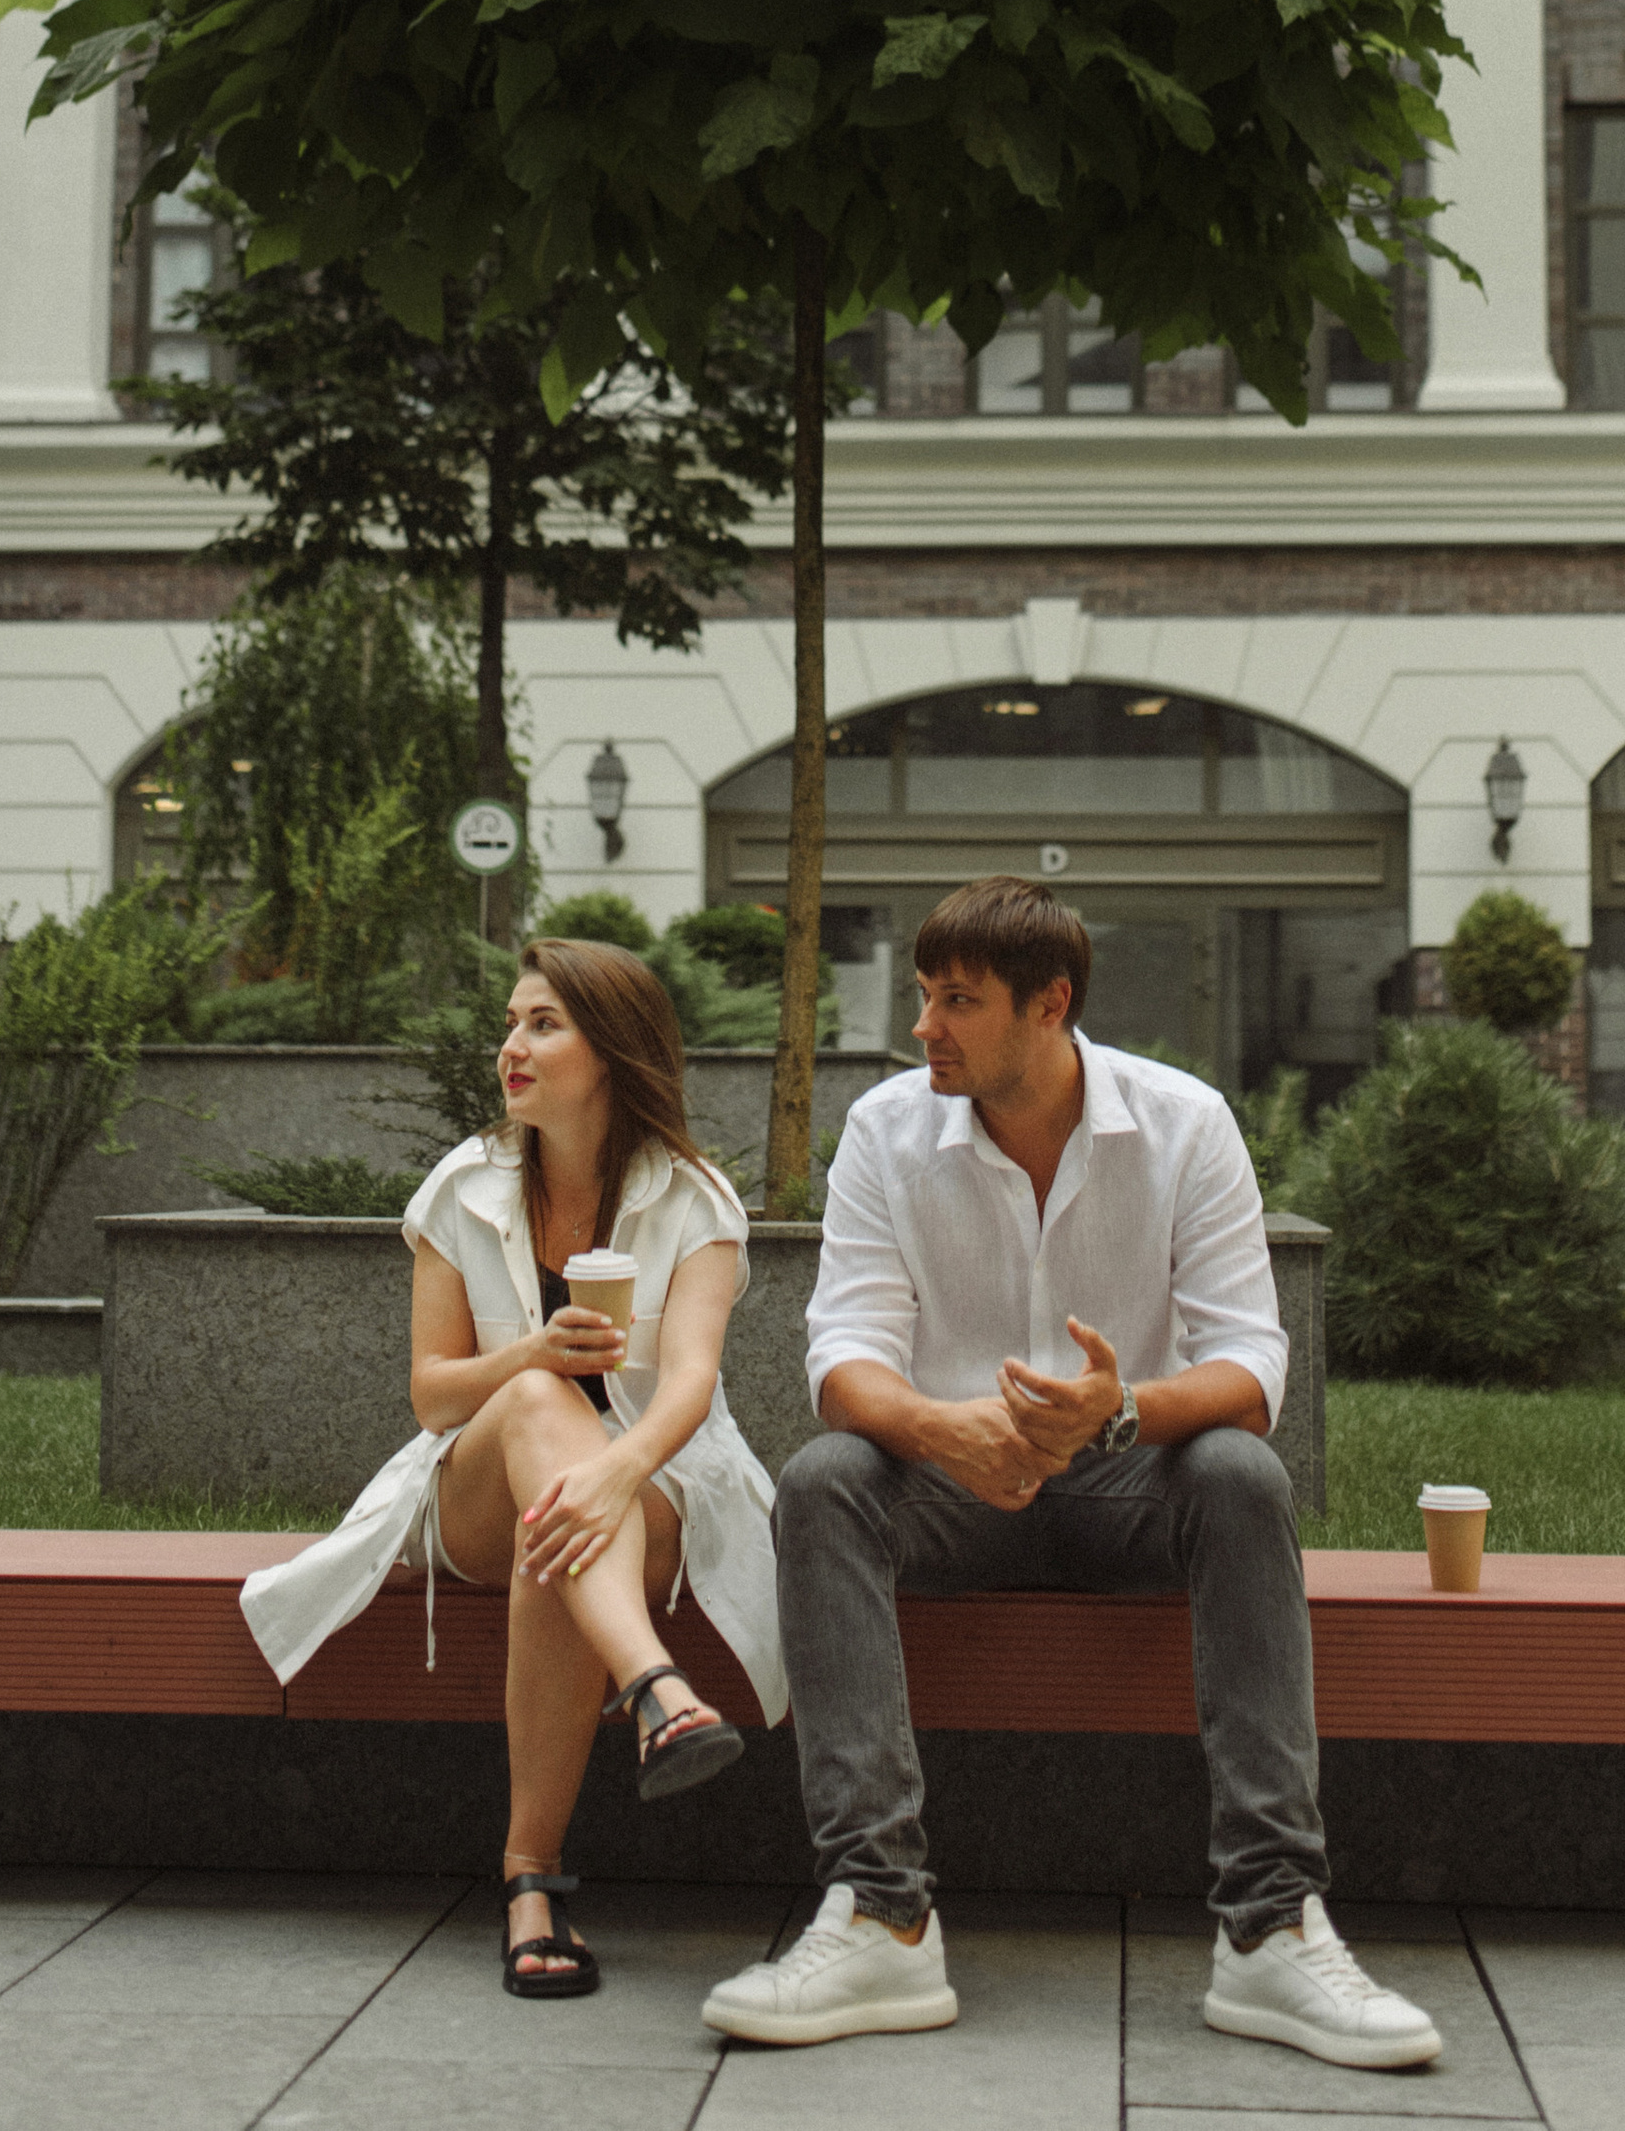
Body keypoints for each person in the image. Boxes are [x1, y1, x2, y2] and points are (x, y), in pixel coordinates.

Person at [701, 875, 1439, 2073]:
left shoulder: (1184, 1122)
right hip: (951, 1490)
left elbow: (1252, 1364)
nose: (924, 1027)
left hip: (1125, 1484)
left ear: (1050, 1008)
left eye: (956, 1001)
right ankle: (883, 1912)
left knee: (1241, 1474)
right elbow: (842, 1356)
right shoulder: (888, 1132)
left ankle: (1269, 1925)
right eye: (925, 998)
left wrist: (1117, 1414)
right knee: (827, 1476)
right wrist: (946, 1433)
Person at [241, 935, 784, 2002]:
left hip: (649, 1494)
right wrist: (531, 1355)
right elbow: (434, 1395)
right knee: (535, 1411)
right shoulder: (464, 1187)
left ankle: (531, 1881)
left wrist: (618, 1471)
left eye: (542, 1024)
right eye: (509, 1024)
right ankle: (655, 1687)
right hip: (478, 1489)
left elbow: (687, 1385)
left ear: (613, 1050)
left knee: (566, 1525)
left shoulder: (692, 1197)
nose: (511, 1047)